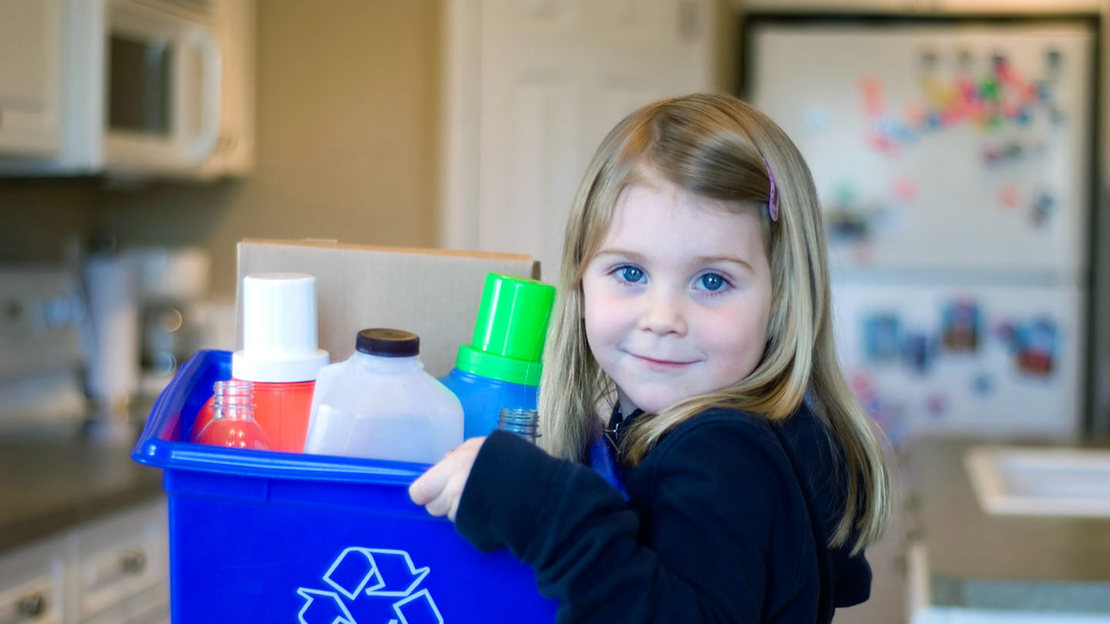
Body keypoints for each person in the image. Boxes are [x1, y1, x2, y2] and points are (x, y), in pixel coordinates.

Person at [410, 93, 893, 623]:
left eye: (713, 280)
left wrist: (545, 508)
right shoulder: (716, 431)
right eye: (631, 273)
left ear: (781, 299)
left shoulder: (721, 453)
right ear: (581, 280)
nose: (662, 317)